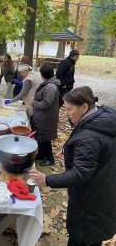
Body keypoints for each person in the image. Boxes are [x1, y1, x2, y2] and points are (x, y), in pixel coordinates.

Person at [29, 86, 116, 246]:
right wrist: (72, 154)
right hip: (104, 190)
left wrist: (47, 180)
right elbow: (97, 156)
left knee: (81, 238)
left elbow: (81, 174)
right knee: (92, 239)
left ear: (84, 107)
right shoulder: (101, 118)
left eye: (69, 109)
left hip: (90, 202)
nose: (66, 113)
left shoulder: (89, 138)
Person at [31, 64, 60, 166]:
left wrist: (34, 103)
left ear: (43, 74)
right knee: (40, 136)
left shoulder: (51, 87)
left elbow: (47, 103)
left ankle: (50, 159)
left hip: (47, 117)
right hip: (42, 116)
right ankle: (42, 154)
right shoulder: (47, 83)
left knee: (45, 138)